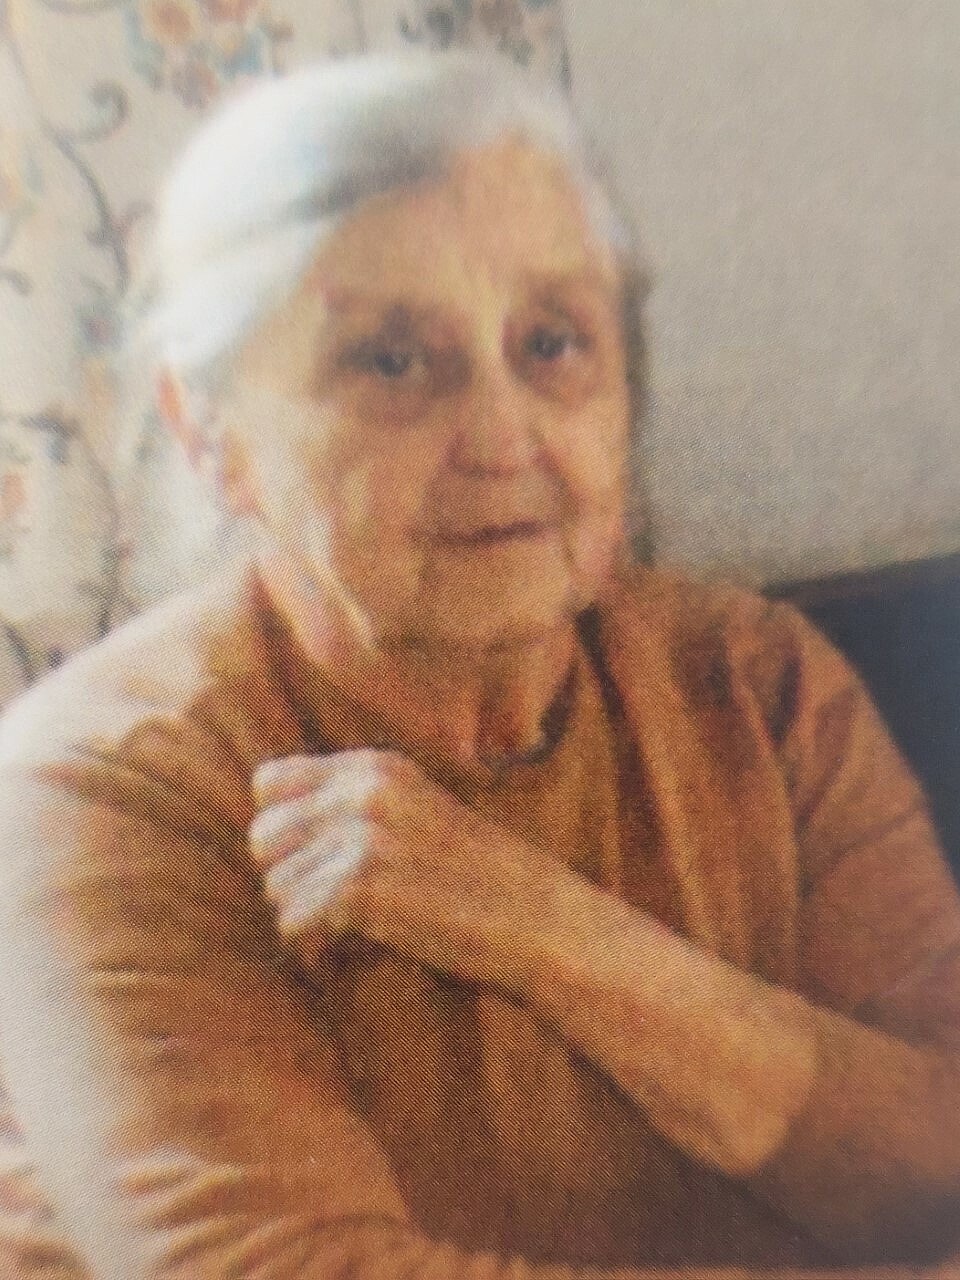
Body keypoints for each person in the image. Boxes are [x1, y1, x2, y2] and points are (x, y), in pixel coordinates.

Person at [0, 50, 958, 1280]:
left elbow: (935, 1164)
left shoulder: (757, 683)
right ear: (212, 434)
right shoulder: (102, 786)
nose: (505, 437)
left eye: (552, 342)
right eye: (393, 361)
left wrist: (543, 927)